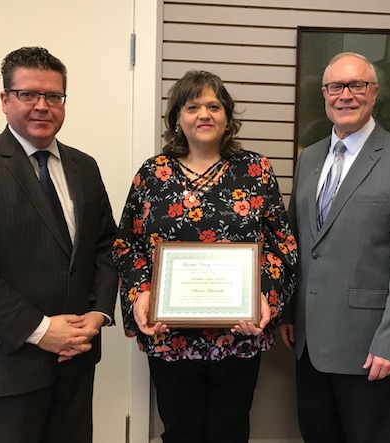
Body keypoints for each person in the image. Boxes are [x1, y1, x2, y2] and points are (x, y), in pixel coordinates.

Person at [112, 70, 297, 443]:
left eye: (213, 106)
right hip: (170, 338)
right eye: (192, 106)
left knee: (230, 431)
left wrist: (265, 300)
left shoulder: (256, 171)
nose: (204, 114)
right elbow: (127, 245)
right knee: (180, 431)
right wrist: (140, 296)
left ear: (227, 116)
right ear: (177, 118)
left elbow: (281, 243)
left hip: (238, 336)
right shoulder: (152, 174)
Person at [0, 47, 117, 443]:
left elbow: (106, 246)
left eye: (53, 96)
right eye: (28, 94)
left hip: (75, 362)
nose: (42, 106)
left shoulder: (84, 166)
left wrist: (98, 314)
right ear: (5, 100)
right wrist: (41, 330)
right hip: (6, 367)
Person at [278, 52, 390, 443]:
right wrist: (288, 311)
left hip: (370, 347)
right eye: (335, 86)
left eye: (357, 85)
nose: (345, 95)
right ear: (324, 93)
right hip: (309, 342)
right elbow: (298, 243)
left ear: (374, 92)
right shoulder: (310, 157)